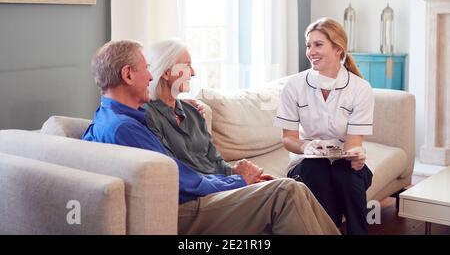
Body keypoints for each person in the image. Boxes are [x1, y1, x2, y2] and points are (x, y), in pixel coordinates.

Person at [83, 40, 340, 235]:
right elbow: (184, 182)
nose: (150, 76)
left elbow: (202, 165)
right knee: (286, 190)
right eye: (146, 69)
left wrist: (243, 179)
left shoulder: (111, 118)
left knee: (294, 188)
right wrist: (239, 181)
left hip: (195, 196)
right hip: (184, 208)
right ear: (128, 75)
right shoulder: (127, 127)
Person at [274, 17, 374, 235]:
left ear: (338, 48)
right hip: (305, 162)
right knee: (316, 169)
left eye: (318, 44)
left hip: (343, 161)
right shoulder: (294, 85)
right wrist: (305, 148)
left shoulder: (360, 88)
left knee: (347, 175)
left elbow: (354, 142)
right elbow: (288, 138)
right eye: (308, 45)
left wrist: (356, 157)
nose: (311, 51)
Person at [143, 39, 275, 182]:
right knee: (287, 189)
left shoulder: (193, 112)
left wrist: (243, 175)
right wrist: (238, 181)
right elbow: (176, 171)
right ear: (166, 73)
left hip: (223, 186)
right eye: (187, 66)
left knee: (284, 186)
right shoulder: (149, 116)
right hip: (203, 193)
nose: (193, 73)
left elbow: (216, 161)